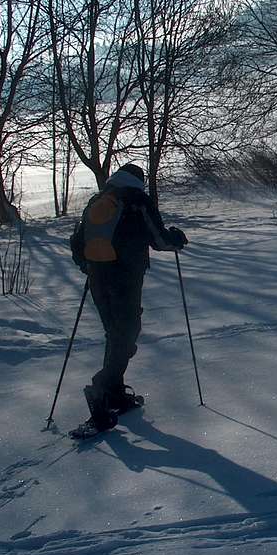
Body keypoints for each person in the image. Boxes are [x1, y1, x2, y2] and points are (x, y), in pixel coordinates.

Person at [69, 163, 187, 432]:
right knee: (127, 334)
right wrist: (177, 238)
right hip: (125, 278)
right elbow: (159, 239)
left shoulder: (98, 200)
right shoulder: (137, 201)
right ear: (139, 181)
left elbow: (76, 244)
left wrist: (91, 268)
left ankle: (115, 394)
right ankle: (101, 388)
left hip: (98, 279)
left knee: (115, 334)